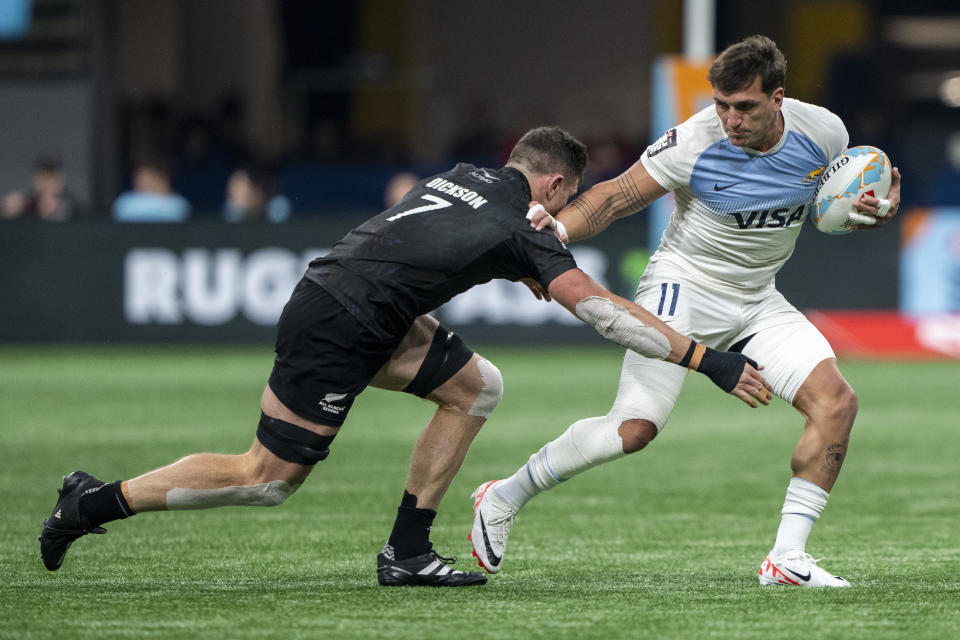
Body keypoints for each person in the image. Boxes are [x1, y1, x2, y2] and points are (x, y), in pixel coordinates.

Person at [38, 126, 768, 587]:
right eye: (564, 199)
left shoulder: (464, 176)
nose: (559, 211)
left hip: (362, 304)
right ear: (554, 186)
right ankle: (93, 501)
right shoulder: (526, 225)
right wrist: (710, 361)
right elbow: (606, 313)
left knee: (477, 388)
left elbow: (445, 239)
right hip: (340, 322)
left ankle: (408, 553)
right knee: (267, 478)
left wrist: (528, 260)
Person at [473, 36, 902, 588]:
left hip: (756, 298)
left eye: (743, 107)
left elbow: (876, 184)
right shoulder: (694, 141)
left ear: (778, 99)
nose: (729, 119)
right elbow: (614, 197)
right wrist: (556, 231)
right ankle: (503, 494)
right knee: (632, 430)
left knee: (837, 403)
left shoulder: (825, 132)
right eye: (721, 104)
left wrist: (880, 206)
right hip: (683, 288)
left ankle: (786, 559)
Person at [1, 153, 80, 221]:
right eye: (43, 176)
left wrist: (55, 212)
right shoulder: (25, 202)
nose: (48, 183)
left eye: (53, 177)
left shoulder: (73, 206)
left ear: (61, 178)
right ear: (35, 178)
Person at [113, 160, 192, 223]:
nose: (144, 181)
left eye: (148, 177)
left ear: (159, 178)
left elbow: (178, 214)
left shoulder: (177, 202)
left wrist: (163, 192)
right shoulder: (125, 200)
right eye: (140, 177)